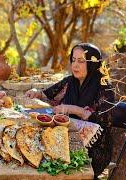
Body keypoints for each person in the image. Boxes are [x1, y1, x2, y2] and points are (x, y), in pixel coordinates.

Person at [25, 43, 115, 178]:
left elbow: (106, 120)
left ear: (92, 63)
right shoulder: (70, 82)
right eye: (73, 60)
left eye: (81, 61)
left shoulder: (104, 86)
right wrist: (35, 93)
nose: (75, 65)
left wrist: (75, 110)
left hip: (95, 148)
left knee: (57, 163)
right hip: (68, 138)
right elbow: (46, 94)